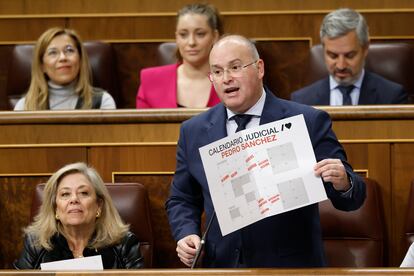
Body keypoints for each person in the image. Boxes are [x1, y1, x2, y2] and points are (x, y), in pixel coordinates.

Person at [165, 34, 366, 268]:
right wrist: (186, 233)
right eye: (217, 72)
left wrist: (344, 183)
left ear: (259, 68)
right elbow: (182, 198)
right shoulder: (194, 131)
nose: (226, 78)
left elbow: (353, 198)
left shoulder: (307, 120)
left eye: (235, 67)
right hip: (223, 266)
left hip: (290, 269)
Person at [14, 162, 143, 269]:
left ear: (99, 205)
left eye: (83, 193)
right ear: (55, 209)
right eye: (65, 194)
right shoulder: (36, 244)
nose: (74, 199)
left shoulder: (123, 244)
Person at [290, 8, 408, 105]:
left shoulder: (392, 96)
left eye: (350, 56)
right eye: (333, 56)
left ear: (365, 48)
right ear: (323, 49)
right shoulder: (301, 101)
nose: (341, 65)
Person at [136, 3, 222, 108]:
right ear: (176, 37)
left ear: (215, 36)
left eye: (200, 34)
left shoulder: (229, 81)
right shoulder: (151, 81)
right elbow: (141, 125)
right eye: (183, 34)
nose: (191, 42)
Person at [14, 27, 116, 110]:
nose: (63, 58)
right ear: (42, 66)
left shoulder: (103, 102)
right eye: (53, 52)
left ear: (80, 60)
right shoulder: (24, 107)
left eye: (69, 50)